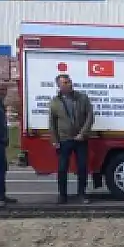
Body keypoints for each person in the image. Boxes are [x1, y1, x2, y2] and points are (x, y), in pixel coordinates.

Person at [47, 73, 95, 204]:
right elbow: (52, 123)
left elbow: (90, 117)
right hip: (64, 139)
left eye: (69, 82)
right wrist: (55, 140)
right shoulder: (55, 102)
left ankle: (82, 194)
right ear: (59, 86)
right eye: (65, 83)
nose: (69, 84)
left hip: (80, 139)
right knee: (62, 168)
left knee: (82, 167)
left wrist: (83, 133)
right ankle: (62, 195)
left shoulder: (82, 98)